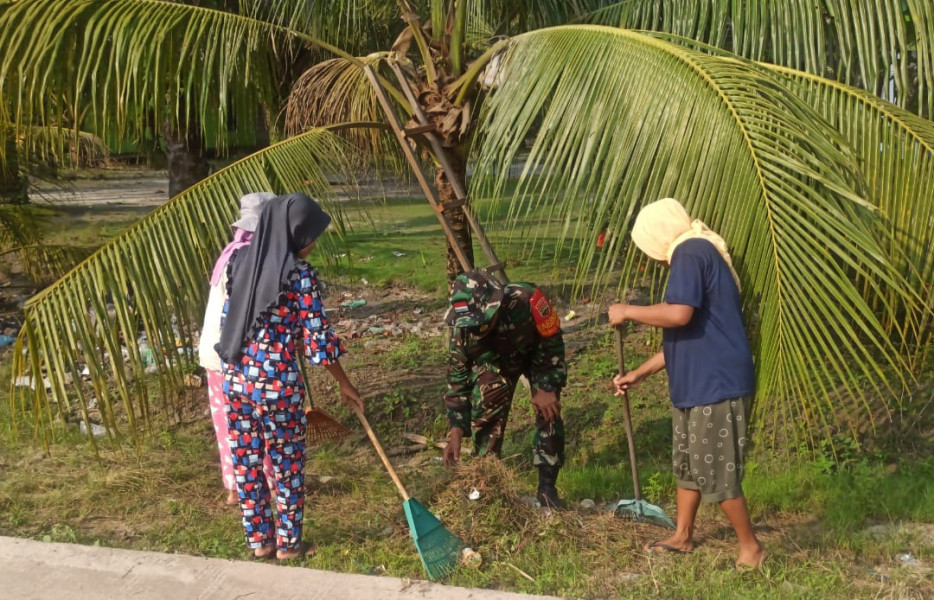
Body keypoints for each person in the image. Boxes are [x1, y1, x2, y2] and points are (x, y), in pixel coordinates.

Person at [608, 198, 765, 570]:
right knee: (690, 467)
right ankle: (683, 535)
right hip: (696, 383)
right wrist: (640, 373)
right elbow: (688, 334)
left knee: (716, 471)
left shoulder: (691, 252)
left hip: (716, 383)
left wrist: (628, 310)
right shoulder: (694, 252)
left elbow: (677, 315)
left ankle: (751, 547)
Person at [216, 193, 363, 561]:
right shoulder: (299, 274)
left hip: (235, 381)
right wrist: (344, 383)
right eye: (311, 235)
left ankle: (259, 542)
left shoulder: (239, 261)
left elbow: (230, 321)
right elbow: (320, 341)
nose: (313, 243)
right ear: (294, 233)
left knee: (248, 463)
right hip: (278, 388)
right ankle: (288, 545)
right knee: (287, 465)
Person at [441, 270, 568, 508]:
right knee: (486, 405)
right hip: (497, 365)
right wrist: (455, 432)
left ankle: (547, 490)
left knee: (548, 411)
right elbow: (457, 382)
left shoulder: (527, 299)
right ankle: (486, 485)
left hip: (538, 357)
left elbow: (552, 341)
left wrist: (547, 386)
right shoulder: (462, 333)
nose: (477, 328)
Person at [199, 192, 276, 506]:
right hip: (239, 356)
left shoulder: (230, 253)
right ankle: (271, 483)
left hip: (214, 353)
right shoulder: (251, 260)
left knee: (231, 425)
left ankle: (236, 487)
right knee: (262, 421)